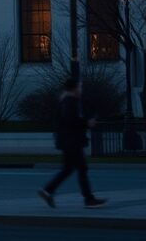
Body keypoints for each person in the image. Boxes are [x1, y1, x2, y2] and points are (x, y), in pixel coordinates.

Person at [39, 78, 106, 208]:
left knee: (68, 169)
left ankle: (47, 191)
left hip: (68, 141)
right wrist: (87, 123)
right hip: (72, 141)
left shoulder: (66, 101)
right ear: (74, 88)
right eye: (80, 86)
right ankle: (89, 199)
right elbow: (70, 121)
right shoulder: (69, 102)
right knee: (81, 168)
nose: (81, 89)